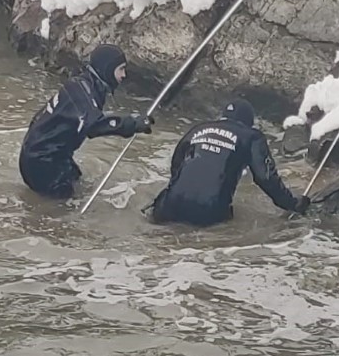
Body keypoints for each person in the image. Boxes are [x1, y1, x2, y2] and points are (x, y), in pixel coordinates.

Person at [147, 98, 309, 226]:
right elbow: (266, 177)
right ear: (248, 122)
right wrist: (292, 203)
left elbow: (177, 165)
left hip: (168, 207)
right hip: (208, 212)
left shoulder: (199, 128)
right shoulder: (251, 136)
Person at [19, 44, 152, 199]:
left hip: (49, 155)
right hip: (43, 161)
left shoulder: (84, 85)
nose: (124, 75)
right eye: (121, 69)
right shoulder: (83, 92)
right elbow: (95, 125)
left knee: (78, 180)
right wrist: (132, 124)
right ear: (107, 70)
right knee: (63, 208)